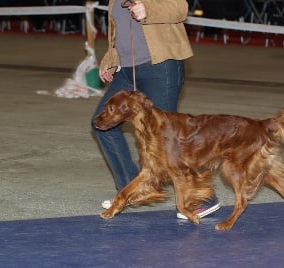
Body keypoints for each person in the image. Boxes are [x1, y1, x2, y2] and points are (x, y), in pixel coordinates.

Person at [92, 0, 220, 219]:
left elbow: (180, 8)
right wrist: (110, 59)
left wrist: (148, 9)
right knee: (102, 124)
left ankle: (205, 198)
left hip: (160, 67)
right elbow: (119, 30)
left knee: (167, 140)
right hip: (126, 70)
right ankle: (130, 190)